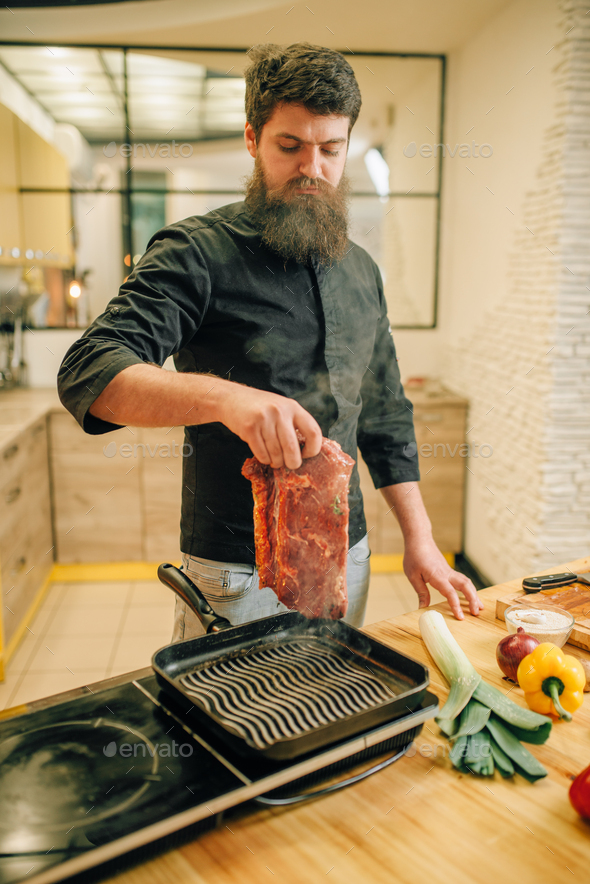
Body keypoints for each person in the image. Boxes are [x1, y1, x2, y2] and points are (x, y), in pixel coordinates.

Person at [57, 42, 483, 638]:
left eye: (331, 149)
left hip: (347, 557)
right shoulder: (197, 252)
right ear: (253, 139)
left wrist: (421, 540)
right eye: (291, 146)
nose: (313, 167)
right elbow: (89, 370)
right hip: (238, 572)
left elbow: (386, 416)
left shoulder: (362, 269)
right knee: (227, 728)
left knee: (328, 718)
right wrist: (229, 400)